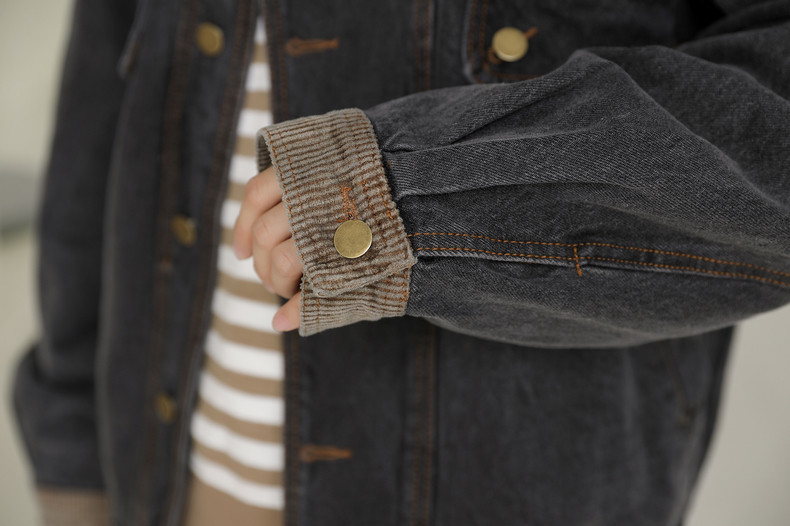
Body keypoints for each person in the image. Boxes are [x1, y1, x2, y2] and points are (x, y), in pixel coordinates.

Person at [11, 0, 790, 525]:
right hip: (171, 472)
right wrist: (71, 455)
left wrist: (390, 199)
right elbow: (99, 115)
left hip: (511, 486)